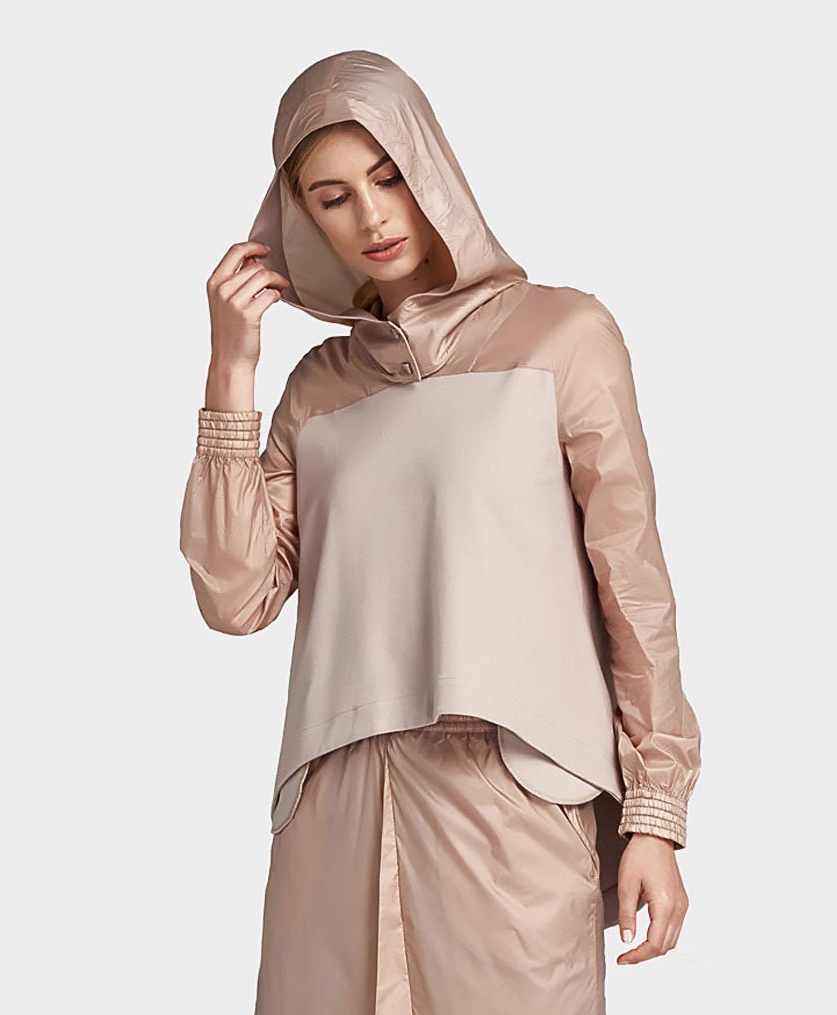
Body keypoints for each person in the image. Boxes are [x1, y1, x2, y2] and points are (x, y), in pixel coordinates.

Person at [179, 49, 702, 1014]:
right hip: (335, 817)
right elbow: (235, 595)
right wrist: (231, 371)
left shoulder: (563, 337)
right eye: (333, 197)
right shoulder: (316, 392)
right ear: (304, 219)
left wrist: (656, 812)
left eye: (389, 177)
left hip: (508, 807)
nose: (372, 216)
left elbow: (633, 585)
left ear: (432, 165)